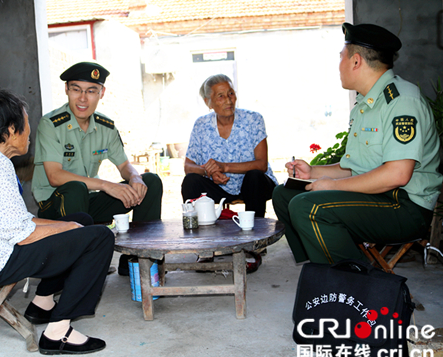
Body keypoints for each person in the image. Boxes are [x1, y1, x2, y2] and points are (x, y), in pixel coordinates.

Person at [0, 90, 115, 356]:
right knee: (100, 238)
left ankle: (42, 303)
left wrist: (71, 227)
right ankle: (58, 333)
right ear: (10, 130)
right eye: (27, 125)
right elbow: (22, 235)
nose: (30, 132)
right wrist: (72, 231)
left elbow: (19, 220)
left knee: (82, 220)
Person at [272, 23, 442, 265]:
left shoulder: (401, 101)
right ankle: (321, 267)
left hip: (403, 206)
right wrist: (314, 172)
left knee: (308, 207)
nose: (339, 64)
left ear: (356, 61)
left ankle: (355, 284)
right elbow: (356, 166)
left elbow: (397, 175)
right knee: (284, 194)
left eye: (341, 57)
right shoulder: (365, 104)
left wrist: (332, 186)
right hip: (377, 196)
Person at [31, 61, 163, 275]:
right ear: (66, 90)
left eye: (91, 91)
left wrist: (135, 177)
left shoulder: (106, 126)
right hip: (56, 205)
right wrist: (106, 185)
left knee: (151, 182)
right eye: (76, 89)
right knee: (75, 188)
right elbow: (54, 176)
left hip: (88, 202)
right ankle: (79, 268)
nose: (83, 98)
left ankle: (135, 261)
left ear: (102, 93)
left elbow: (124, 164)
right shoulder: (51, 124)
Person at [181, 74, 278, 273]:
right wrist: (209, 172)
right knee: (190, 181)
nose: (229, 100)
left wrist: (224, 167)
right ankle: (204, 247)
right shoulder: (201, 125)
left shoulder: (253, 119)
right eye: (221, 96)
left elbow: (261, 164)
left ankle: (254, 246)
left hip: (253, 185)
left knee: (255, 177)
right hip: (218, 185)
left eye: (231, 93)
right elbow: (188, 166)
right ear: (208, 102)